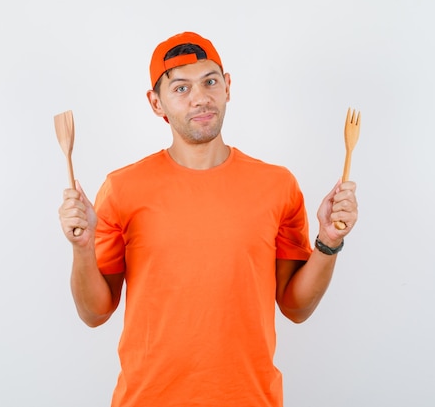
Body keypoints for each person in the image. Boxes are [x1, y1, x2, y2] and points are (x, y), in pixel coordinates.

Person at [58, 31, 358, 407]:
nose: (200, 97)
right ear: (156, 103)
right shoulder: (121, 188)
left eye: (210, 82)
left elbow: (296, 308)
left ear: (228, 86)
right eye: (181, 88)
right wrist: (82, 248)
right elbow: (94, 313)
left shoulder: (278, 186)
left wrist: (328, 242)